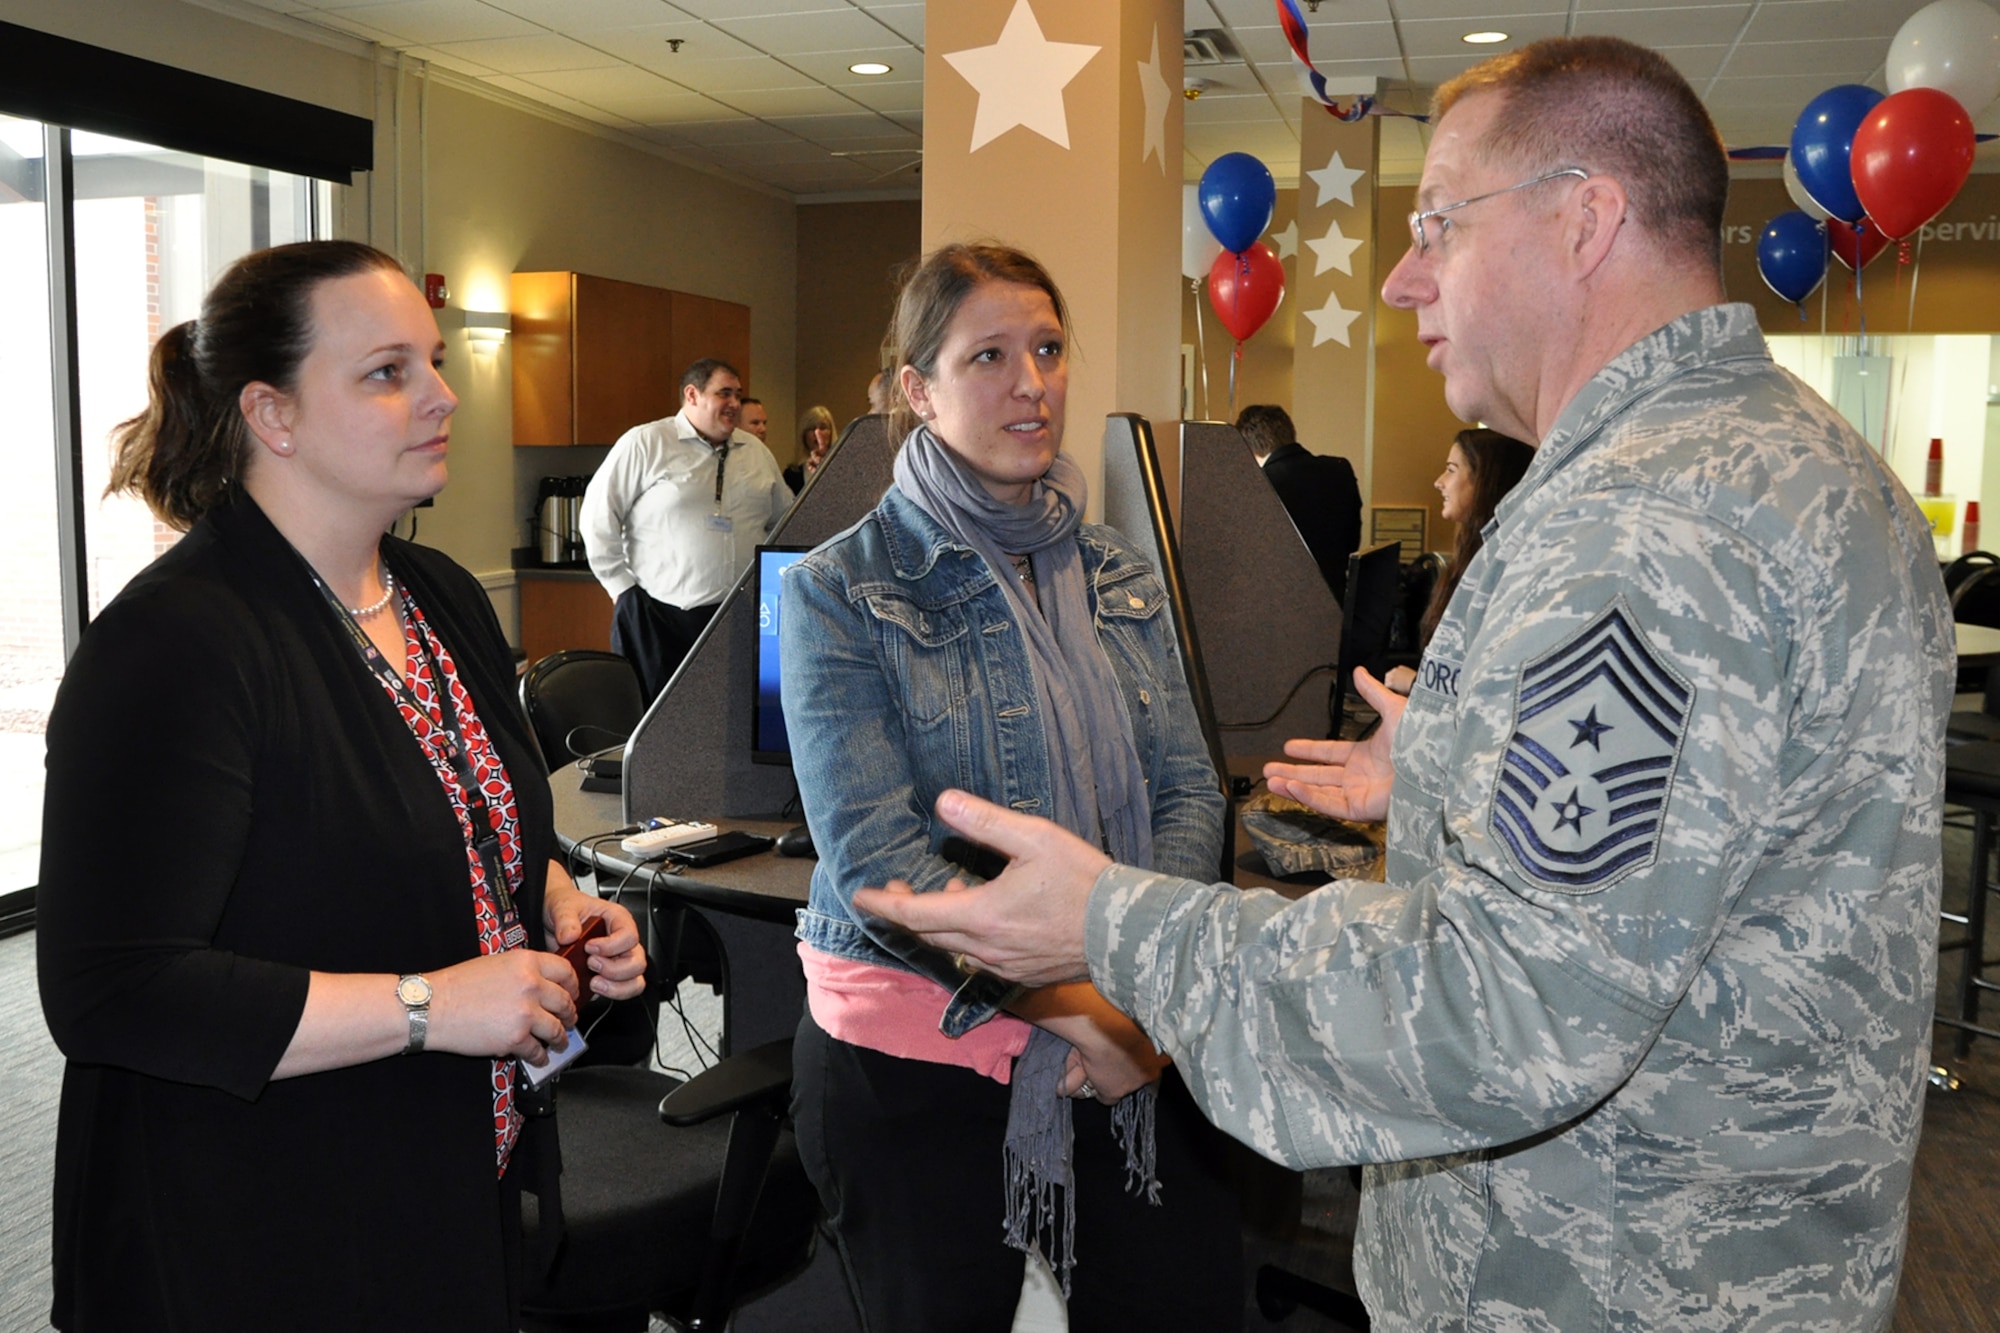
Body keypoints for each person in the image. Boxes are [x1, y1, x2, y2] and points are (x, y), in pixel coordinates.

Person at [850, 36, 1951, 1332]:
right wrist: (1459, 758)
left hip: (1609, 1280)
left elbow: (1502, 1006)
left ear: (1585, 217)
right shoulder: (1761, 458)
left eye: (1438, 223)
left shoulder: (1654, 527)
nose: (1400, 273)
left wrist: (1112, 923)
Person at [36, 241, 648, 1331]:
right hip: (251, 1220)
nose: (441, 394)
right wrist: (433, 1005)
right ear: (272, 416)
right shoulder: (177, 644)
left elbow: (469, 813)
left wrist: (552, 899)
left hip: (441, 1173)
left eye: (433, 359)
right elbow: (110, 989)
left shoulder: (437, 592)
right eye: (386, 371)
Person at [781, 242, 1243, 1332]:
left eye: (1045, 347)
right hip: (919, 1058)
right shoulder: (838, 589)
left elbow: (1186, 789)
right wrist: (1090, 1018)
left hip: (1133, 1029)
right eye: (986, 355)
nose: (1029, 383)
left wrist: (1137, 990)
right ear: (916, 390)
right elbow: (880, 868)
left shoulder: (1119, 571)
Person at [580, 358, 793, 699]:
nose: (735, 404)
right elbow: (597, 517)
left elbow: (785, 521)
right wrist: (621, 588)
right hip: (657, 616)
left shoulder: (756, 452)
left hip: (739, 618)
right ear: (692, 395)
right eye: (724, 393)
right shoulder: (646, 443)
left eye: (738, 394)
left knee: (732, 720)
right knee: (660, 729)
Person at [1383, 427, 1533, 693]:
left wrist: (1416, 683)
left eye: (1451, 469)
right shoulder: (1475, 554)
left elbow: (1492, 683)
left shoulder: (1505, 568)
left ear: (1485, 480)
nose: (1439, 482)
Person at [1236, 403, 1363, 603]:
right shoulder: (1340, 470)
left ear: (1248, 447)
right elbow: (1351, 541)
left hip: (1281, 606)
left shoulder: (1260, 485)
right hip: (1336, 600)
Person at [783, 403, 835, 493]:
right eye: (812, 428)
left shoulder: (843, 467)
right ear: (804, 435)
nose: (817, 433)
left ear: (831, 432)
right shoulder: (792, 474)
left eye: (823, 427)